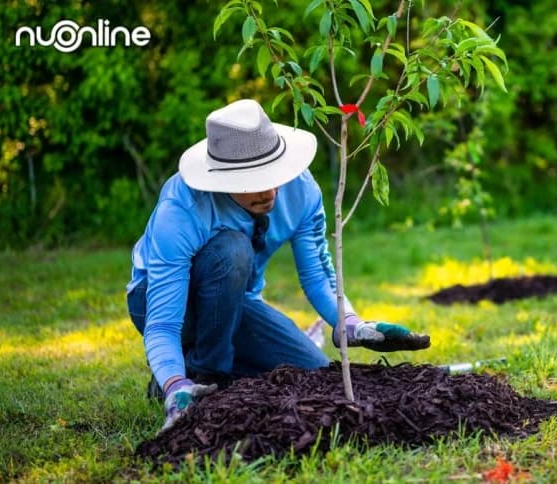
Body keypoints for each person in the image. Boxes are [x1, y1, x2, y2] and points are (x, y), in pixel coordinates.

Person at [126, 99, 430, 432]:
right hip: (161, 303)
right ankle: (199, 375)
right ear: (222, 179)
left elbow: (318, 274)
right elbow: (163, 323)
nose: (269, 190)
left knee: (312, 371)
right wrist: (174, 385)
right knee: (232, 249)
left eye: (273, 174)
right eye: (252, 180)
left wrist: (350, 323)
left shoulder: (301, 190)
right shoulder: (183, 209)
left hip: (236, 303)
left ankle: (196, 366)